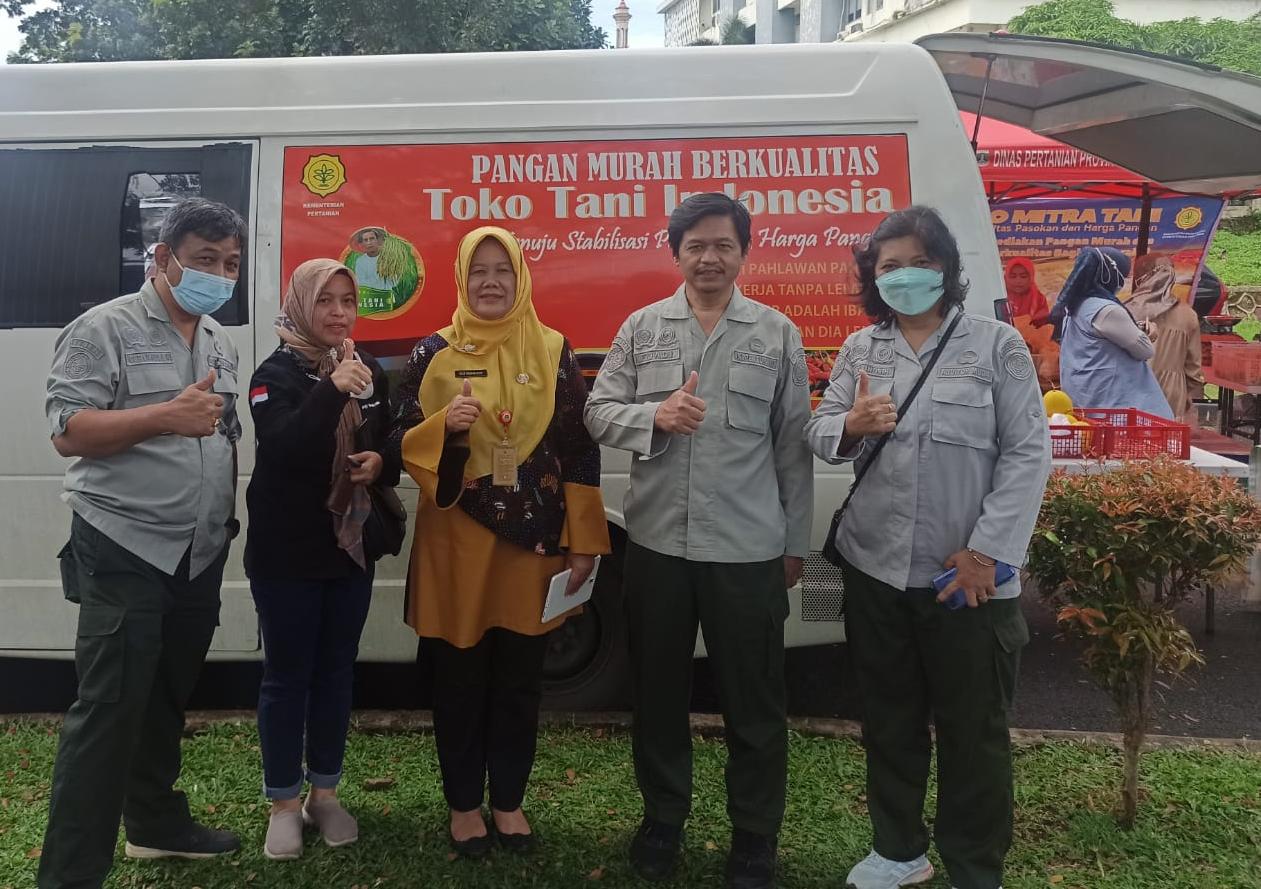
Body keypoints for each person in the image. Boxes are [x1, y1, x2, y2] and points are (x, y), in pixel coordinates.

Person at [804, 206, 1051, 889]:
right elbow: (819, 430)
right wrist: (848, 423)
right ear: (871, 279)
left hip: (964, 580)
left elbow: (1028, 452)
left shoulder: (994, 345)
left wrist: (986, 552)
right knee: (888, 720)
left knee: (973, 733)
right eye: (888, 266)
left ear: (942, 267)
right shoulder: (861, 350)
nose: (903, 276)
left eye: (916, 262)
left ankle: (974, 867)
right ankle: (897, 850)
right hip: (875, 570)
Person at [584, 193, 813, 889]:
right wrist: (655, 414)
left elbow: (792, 450)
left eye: (723, 245)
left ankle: (753, 834)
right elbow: (597, 410)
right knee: (656, 693)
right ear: (674, 250)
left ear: (744, 251)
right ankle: (662, 817)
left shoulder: (775, 334)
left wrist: (794, 544)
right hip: (656, 546)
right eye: (696, 245)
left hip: (746, 550)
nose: (709, 257)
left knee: (753, 699)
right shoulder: (641, 327)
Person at [40, 198, 247, 889]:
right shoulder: (105, 328)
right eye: (205, 258)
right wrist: (164, 415)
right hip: (123, 543)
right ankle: (69, 876)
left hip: (197, 549)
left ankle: (154, 823)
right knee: (108, 708)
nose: (219, 273)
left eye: (230, 263)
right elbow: (68, 429)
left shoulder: (220, 339)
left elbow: (221, 434)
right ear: (162, 258)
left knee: (164, 694)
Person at [388, 226, 610, 858]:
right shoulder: (433, 351)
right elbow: (400, 435)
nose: (490, 282)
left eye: (502, 270)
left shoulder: (553, 347)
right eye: (478, 271)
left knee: (520, 680)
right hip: (457, 542)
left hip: (534, 546)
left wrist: (584, 539)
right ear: (461, 279)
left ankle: (508, 802)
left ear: (520, 278)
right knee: (457, 677)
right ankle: (464, 807)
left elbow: (577, 447)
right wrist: (445, 429)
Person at [244, 259, 400, 860]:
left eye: (347, 301)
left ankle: (324, 794)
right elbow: (284, 447)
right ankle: (284, 803)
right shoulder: (273, 374)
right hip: (287, 554)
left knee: (336, 673)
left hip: (349, 547)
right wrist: (331, 393)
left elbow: (385, 438)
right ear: (302, 304)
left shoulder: (364, 371)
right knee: (287, 678)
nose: (338, 312)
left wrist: (379, 462)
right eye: (326, 300)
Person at [1055, 247, 1173, 418]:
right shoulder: (1106, 310)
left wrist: (1135, 328)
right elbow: (1145, 350)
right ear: (1109, 275)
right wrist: (1149, 333)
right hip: (1119, 410)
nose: (1121, 282)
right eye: (1122, 277)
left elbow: (1101, 339)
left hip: (1089, 402)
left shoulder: (1075, 307)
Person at [1127, 253, 1205, 425]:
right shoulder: (1188, 315)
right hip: (1172, 395)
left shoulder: (1126, 311)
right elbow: (1193, 370)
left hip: (1133, 390)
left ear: (1141, 277)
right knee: (1166, 446)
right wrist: (1187, 397)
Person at [1002, 257, 1049, 326]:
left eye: (1023, 276)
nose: (1018, 281)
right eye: (1013, 276)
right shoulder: (999, 296)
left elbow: (1044, 323)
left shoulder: (1039, 299)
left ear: (1031, 277)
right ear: (1006, 277)